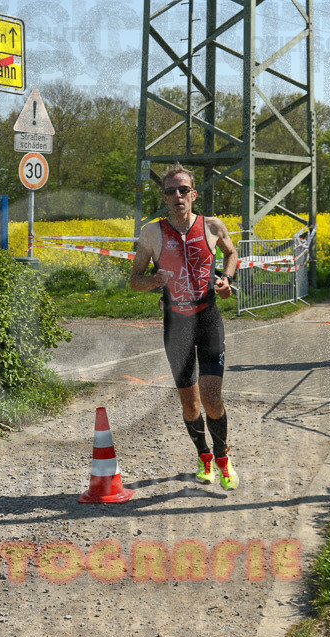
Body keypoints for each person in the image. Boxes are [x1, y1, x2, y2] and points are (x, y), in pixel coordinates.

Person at [130, 163, 241, 490]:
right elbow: (134, 280)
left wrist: (226, 279)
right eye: (171, 191)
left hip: (208, 319)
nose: (177, 195)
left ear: (193, 194)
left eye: (183, 190)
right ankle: (203, 456)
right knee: (190, 404)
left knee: (211, 399)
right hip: (176, 325)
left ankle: (223, 458)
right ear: (164, 197)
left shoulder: (212, 225)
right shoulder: (152, 233)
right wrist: (154, 281)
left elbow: (232, 253)